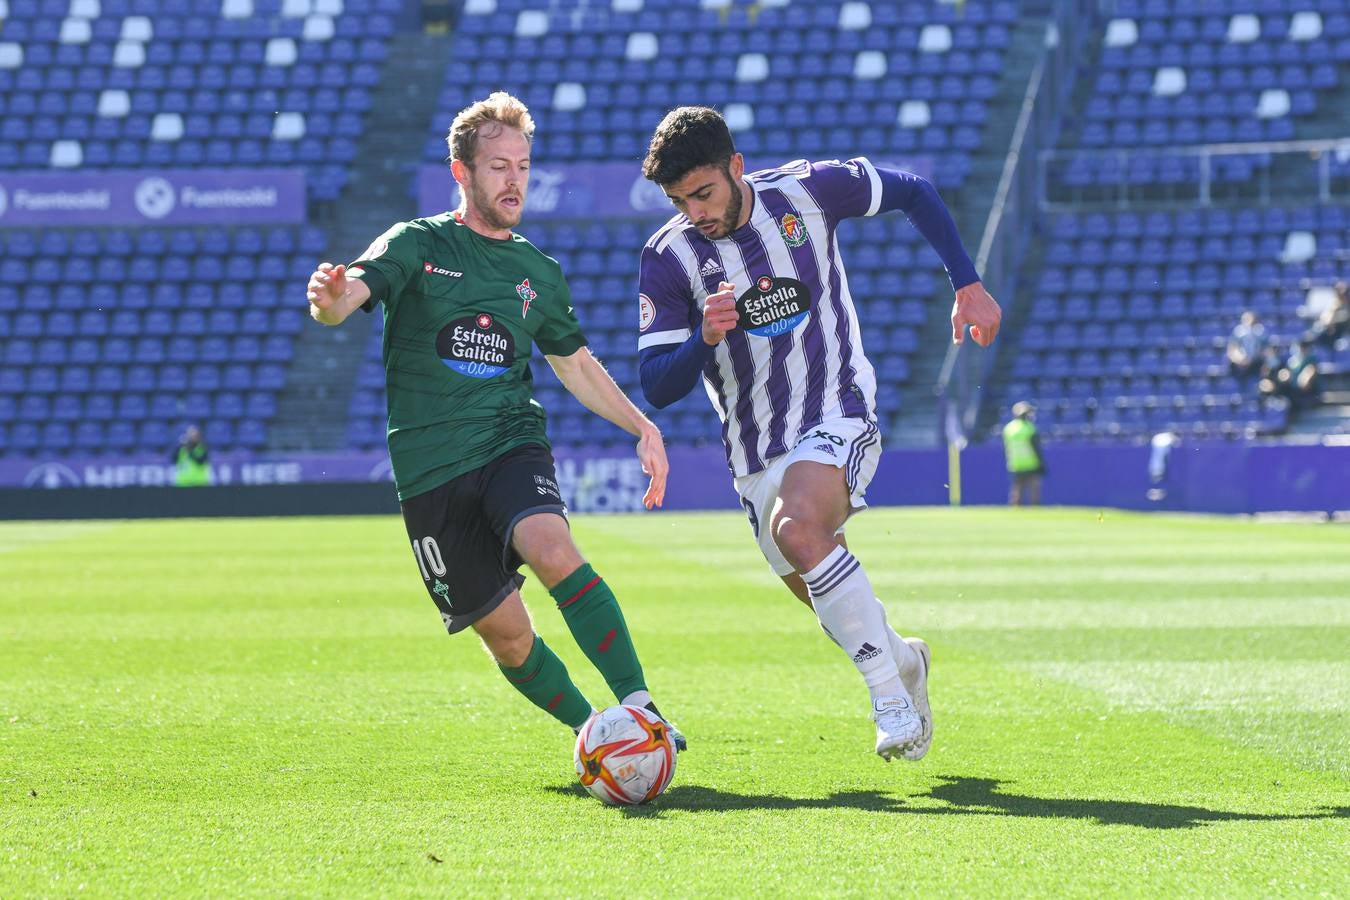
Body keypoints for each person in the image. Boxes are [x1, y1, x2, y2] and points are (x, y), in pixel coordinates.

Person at [304, 93, 684, 749]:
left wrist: (641, 427)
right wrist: (333, 303)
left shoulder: (536, 271)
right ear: (463, 173)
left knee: (552, 547)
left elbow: (574, 362)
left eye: (523, 167)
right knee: (506, 636)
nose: (514, 181)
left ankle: (644, 712)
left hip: (510, 443)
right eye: (499, 167)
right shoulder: (417, 244)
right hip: (430, 473)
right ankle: (596, 734)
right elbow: (350, 294)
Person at [634, 107, 1002, 762]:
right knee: (824, 591)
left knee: (798, 530)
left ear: (736, 168)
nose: (695, 211)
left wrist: (967, 284)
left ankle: (890, 700)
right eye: (679, 200)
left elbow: (913, 191)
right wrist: (704, 338)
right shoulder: (668, 257)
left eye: (704, 192)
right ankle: (906, 662)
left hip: (838, 408)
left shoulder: (807, 191)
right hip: (753, 455)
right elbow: (658, 382)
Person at [1002, 401, 1045, 506]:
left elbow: (1006, 447)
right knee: (1034, 488)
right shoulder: (1029, 428)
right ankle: (1035, 508)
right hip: (1031, 462)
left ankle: (1015, 509)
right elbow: (1036, 448)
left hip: (1015, 463)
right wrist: (1041, 463)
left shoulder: (1008, 428)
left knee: (1017, 488)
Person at [1226, 310, 1267, 380]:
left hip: (1256, 364)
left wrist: (1252, 359)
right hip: (1239, 365)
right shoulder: (1238, 332)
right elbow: (1232, 349)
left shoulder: (1260, 333)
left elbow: (1266, 350)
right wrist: (1241, 359)